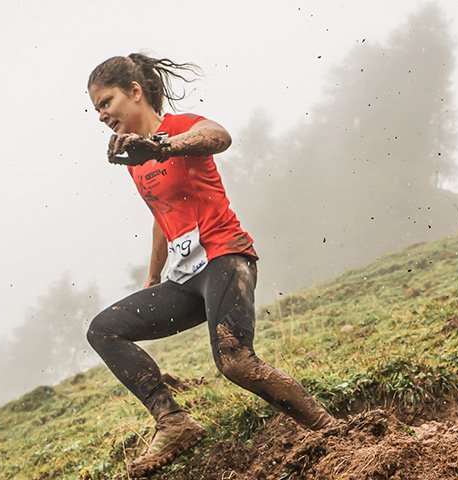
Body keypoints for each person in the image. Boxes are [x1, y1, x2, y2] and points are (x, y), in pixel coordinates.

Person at [84, 53, 337, 477]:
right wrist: (151, 278)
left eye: (107, 102)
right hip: (186, 279)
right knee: (103, 330)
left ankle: (333, 431)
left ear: (135, 91)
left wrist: (162, 145)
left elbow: (219, 136)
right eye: (95, 110)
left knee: (236, 362)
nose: (102, 115)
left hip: (227, 257)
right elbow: (161, 216)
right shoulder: (134, 158)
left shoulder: (179, 129)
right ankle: (174, 422)